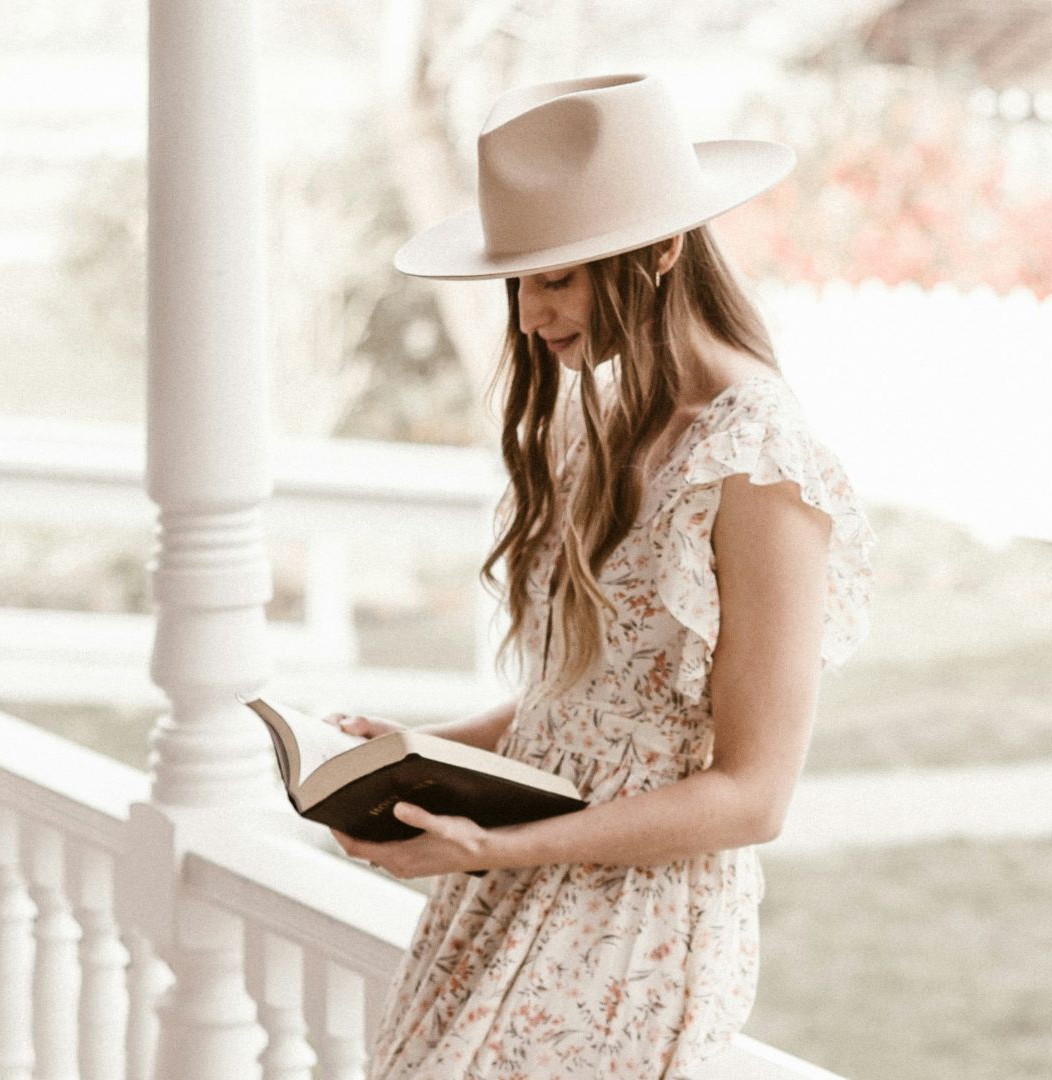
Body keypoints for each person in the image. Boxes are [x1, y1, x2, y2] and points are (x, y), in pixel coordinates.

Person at [326, 73, 875, 1079]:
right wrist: (411, 756)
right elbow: (583, 707)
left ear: (662, 250)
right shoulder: (602, 421)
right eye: (520, 282)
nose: (531, 317)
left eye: (557, 280)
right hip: (505, 893)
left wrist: (492, 848)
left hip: (629, 923)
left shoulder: (760, 467)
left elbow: (753, 796)